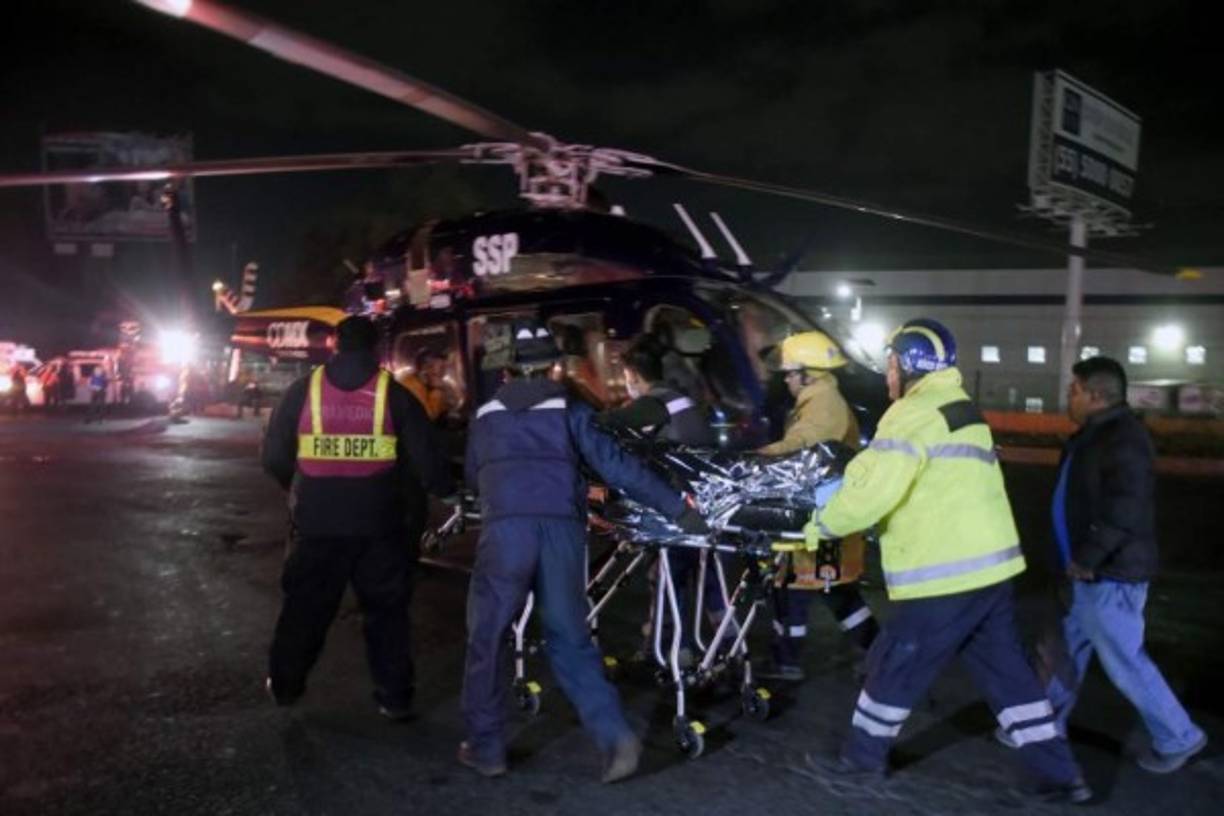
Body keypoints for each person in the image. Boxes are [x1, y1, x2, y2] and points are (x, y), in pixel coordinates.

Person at [805, 318, 1091, 803]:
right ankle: (1062, 776)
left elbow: (873, 494)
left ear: (909, 364)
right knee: (1010, 678)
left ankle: (859, 761)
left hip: (943, 576)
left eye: (891, 363)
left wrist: (820, 526)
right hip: (992, 572)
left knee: (894, 664)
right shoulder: (961, 409)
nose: (887, 374)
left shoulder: (912, 413)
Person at [460, 320, 709, 783]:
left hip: (506, 534)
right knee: (570, 640)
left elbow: (474, 477)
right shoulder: (570, 411)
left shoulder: (485, 414)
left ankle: (486, 746)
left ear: (510, 369)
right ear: (554, 367)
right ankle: (615, 739)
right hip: (561, 533)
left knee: (488, 639)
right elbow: (619, 467)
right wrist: (681, 511)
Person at [1005, 356, 1207, 773]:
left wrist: (1089, 557)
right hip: (1083, 573)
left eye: (1074, 390)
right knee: (1063, 653)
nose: (1069, 397)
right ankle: (1043, 726)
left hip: (1108, 574)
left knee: (1124, 661)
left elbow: (1125, 509)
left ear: (1096, 395)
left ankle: (1179, 736)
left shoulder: (1122, 439)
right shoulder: (1094, 435)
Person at [261, 316, 452, 719]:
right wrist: (445, 490)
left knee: (305, 611)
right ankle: (394, 697)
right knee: (386, 615)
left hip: (317, 526)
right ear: (376, 349)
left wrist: (300, 488)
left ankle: (285, 686)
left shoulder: (303, 391)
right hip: (380, 527)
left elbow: (275, 456)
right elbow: (429, 463)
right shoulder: (395, 395)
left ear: (334, 344)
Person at [755, 331, 878, 680]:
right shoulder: (821, 400)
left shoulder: (822, 405)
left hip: (820, 518)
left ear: (808, 373)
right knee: (836, 590)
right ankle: (876, 653)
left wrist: (754, 459)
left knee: (792, 586)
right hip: (827, 516)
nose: (788, 380)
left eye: (791, 374)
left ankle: (786, 662)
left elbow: (798, 447)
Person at [600, 333, 719, 665]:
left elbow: (606, 426)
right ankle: (721, 643)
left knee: (669, 572)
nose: (626, 384)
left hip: (679, 505)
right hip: (706, 498)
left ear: (635, 376)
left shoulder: (651, 404)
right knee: (702, 573)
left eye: (626, 378)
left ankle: (675, 649)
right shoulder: (680, 398)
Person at [397, 347, 449, 421]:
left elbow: (442, 409)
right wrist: (437, 389)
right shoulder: (412, 385)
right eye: (441, 368)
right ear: (425, 369)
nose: (443, 373)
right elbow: (429, 416)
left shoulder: (424, 385)